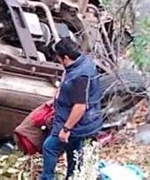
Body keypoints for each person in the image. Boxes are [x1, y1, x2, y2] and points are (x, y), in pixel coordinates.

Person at [40, 37, 103, 180]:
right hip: (81, 121)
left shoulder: (80, 76)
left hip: (77, 123)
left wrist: (66, 129)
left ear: (66, 58)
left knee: (49, 147)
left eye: (59, 59)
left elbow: (80, 106)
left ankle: (47, 177)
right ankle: (73, 176)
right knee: (73, 150)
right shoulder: (82, 63)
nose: (58, 62)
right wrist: (56, 99)